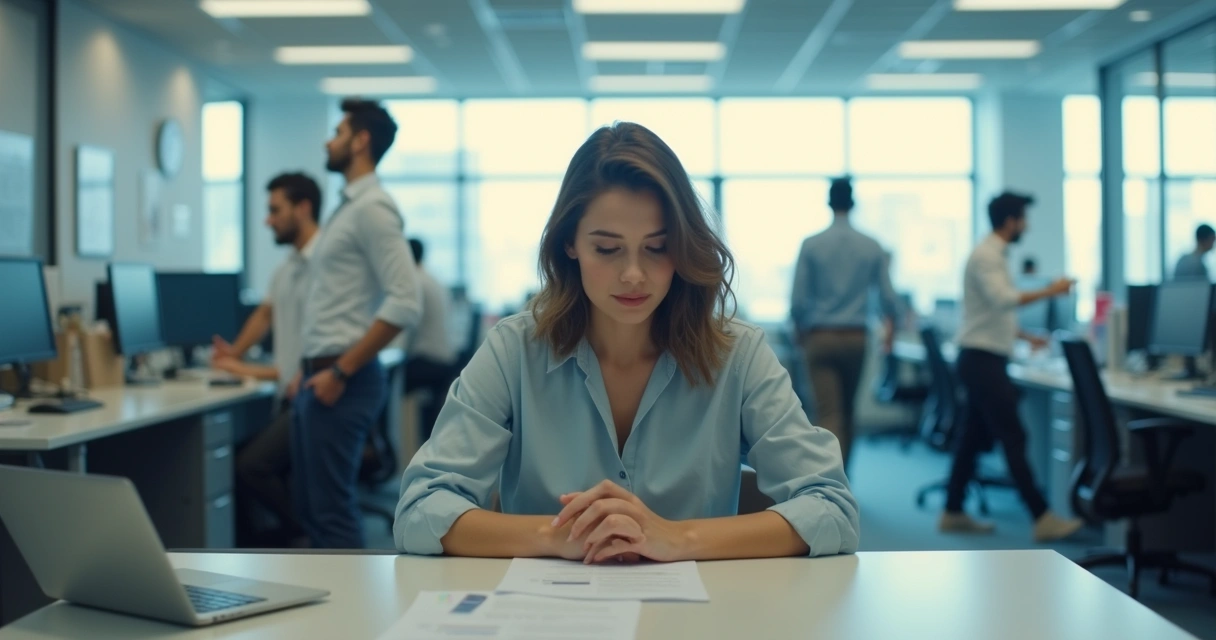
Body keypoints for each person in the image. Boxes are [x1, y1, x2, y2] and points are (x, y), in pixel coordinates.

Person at [394, 122, 858, 563]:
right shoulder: (513, 350)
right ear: (570, 243)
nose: (633, 274)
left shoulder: (738, 354)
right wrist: (560, 536)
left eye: (657, 248)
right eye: (607, 248)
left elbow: (832, 507)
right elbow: (420, 509)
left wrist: (678, 537)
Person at [296, 98, 423, 548]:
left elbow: (407, 301)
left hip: (342, 378)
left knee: (331, 512)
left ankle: (353, 614)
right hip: (322, 375)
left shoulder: (373, 208)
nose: (330, 141)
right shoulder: (348, 207)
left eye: (339, 132)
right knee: (315, 509)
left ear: (361, 141)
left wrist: (339, 370)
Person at [940, 191, 1083, 542]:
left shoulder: (993, 254)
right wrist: (1053, 289)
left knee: (971, 438)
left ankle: (952, 511)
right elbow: (1002, 300)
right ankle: (1041, 516)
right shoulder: (988, 255)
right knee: (1014, 436)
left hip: (981, 356)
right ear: (1010, 221)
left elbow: (989, 313)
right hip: (982, 360)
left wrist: (1022, 336)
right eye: (1023, 219)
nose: (1026, 226)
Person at [212, 172, 322, 547]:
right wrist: (235, 352)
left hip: (312, 392)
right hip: (288, 393)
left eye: (275, 210)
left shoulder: (328, 263)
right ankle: (273, 542)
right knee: (243, 461)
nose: (267, 219)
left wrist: (241, 366)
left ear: (302, 208)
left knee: (249, 466)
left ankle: (305, 532)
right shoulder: (288, 267)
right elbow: (265, 313)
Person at [790, 177, 900, 470]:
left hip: (820, 338)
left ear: (829, 202)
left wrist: (799, 333)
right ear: (853, 203)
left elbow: (798, 301)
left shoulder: (811, 245)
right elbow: (889, 298)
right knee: (848, 413)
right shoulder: (872, 245)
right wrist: (892, 331)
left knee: (828, 415)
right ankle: (844, 481)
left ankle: (829, 486)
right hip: (857, 338)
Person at [404, 238, 458, 442]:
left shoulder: (414, 282)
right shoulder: (434, 280)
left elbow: (406, 330)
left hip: (428, 362)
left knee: (381, 381)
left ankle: (389, 446)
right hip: (446, 362)